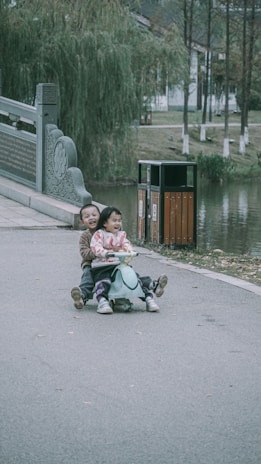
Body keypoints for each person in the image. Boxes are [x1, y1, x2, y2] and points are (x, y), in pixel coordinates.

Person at [90, 206, 167, 315]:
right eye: (114, 220)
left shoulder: (121, 235)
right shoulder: (99, 234)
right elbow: (95, 247)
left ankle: (149, 296)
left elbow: (127, 244)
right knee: (104, 281)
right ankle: (103, 301)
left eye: (119, 220)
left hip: (119, 264)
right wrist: (105, 252)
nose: (117, 223)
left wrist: (128, 250)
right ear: (104, 223)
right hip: (103, 266)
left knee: (134, 278)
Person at [71, 203, 100, 309]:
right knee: (88, 277)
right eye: (87, 217)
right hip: (91, 263)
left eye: (94, 215)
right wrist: (97, 253)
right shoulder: (85, 236)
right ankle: (81, 296)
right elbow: (84, 252)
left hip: (108, 261)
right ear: (82, 222)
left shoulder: (106, 232)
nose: (91, 218)